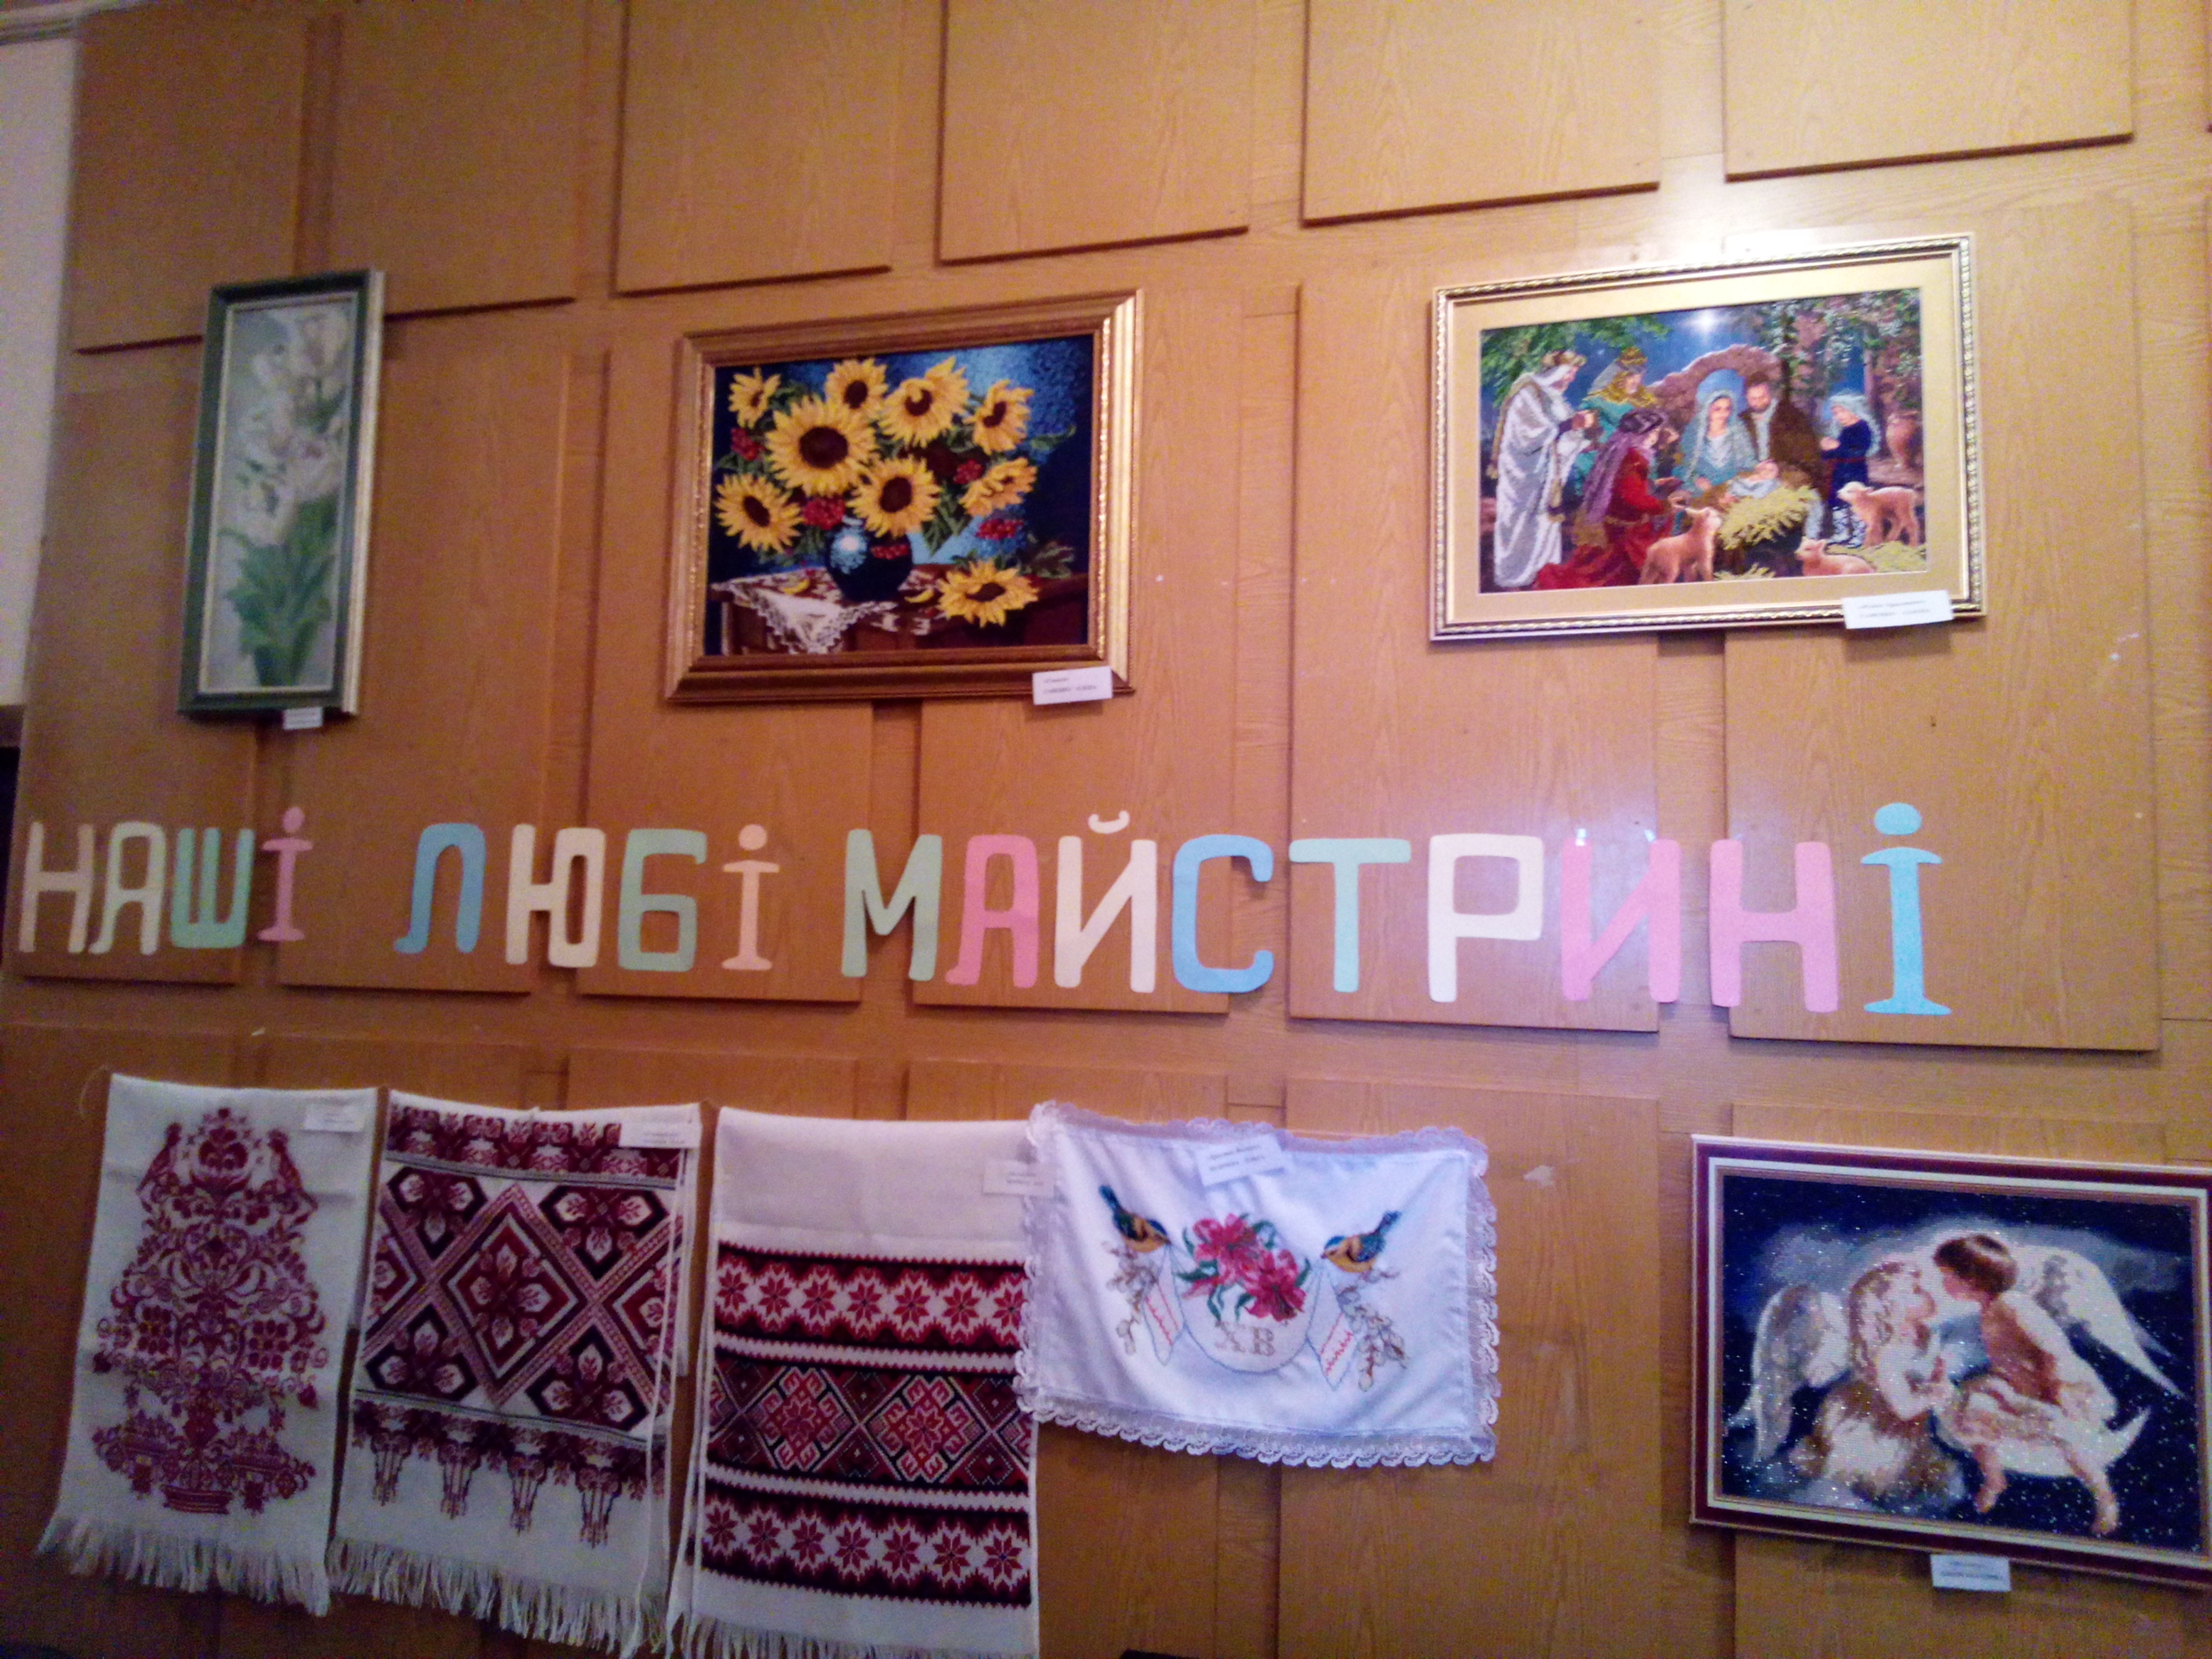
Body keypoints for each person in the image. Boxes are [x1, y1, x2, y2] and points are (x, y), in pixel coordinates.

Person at [1933, 1232, 2125, 1536]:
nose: (1943, 1284)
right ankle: (1994, 1479)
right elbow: (2008, 1357)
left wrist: (2058, 1391)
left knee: (2065, 1435)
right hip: (2014, 1384)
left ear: (1972, 1279)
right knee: (1974, 1410)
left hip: (2056, 1385)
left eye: (1948, 1277)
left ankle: (2104, 1496)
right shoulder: (1989, 1309)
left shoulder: (2013, 1305)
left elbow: (2054, 1350)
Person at [1790, 1260, 1957, 1504]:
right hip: (1881, 1424)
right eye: (1916, 1290)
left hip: (1912, 1420)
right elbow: (1904, 1408)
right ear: (1891, 1308)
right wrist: (1936, 1394)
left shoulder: (1926, 1334)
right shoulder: (1889, 1354)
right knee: (1878, 1479)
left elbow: (1927, 1373)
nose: (1928, 1293)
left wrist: (1938, 1378)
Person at [1535, 407, 1680, 589]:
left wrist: (1655, 484)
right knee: (1608, 576)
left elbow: (1624, 486)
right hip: (1624, 532)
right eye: (1654, 432)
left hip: (1612, 522)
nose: (1655, 438)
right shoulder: (1634, 458)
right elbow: (1631, 497)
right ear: (1642, 433)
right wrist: (1664, 505)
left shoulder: (1623, 453)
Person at [1487, 350, 1590, 590]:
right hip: (1524, 476)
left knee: (1544, 524)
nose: (1572, 378)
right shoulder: (1528, 392)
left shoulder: (1554, 398)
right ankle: (1516, 577)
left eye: (1574, 373)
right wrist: (1570, 424)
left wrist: (1581, 438)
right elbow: (1528, 436)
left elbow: (1562, 438)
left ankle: (1543, 572)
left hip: (1547, 476)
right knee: (1523, 524)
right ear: (1557, 371)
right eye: (1570, 373)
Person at [1678, 371, 1757, 499]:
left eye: (1727, 409)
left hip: (1733, 487)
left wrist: (1757, 470)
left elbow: (1749, 461)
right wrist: (1696, 479)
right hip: (1701, 490)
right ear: (1708, 409)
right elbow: (1682, 466)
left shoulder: (1738, 431)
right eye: (1717, 409)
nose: (1723, 414)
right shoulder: (1695, 434)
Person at [1820, 393, 1876, 543]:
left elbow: (1858, 452)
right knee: (1838, 501)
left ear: (1853, 409)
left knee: (1857, 503)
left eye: (1842, 411)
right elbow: (1837, 453)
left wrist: (1837, 447)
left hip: (1856, 473)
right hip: (1840, 472)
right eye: (1836, 413)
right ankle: (1842, 533)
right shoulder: (1844, 430)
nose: (1839, 416)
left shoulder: (1862, 428)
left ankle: (1859, 536)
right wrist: (1826, 450)